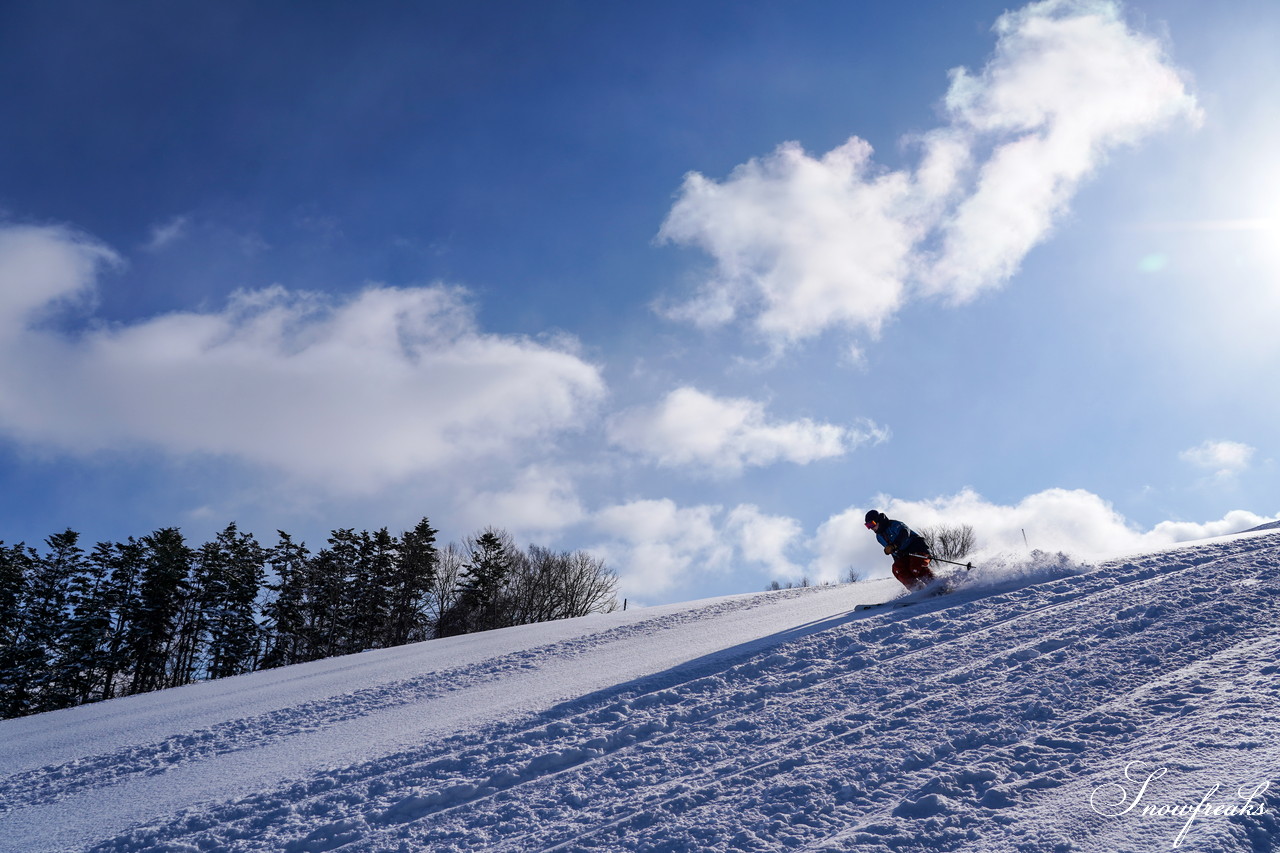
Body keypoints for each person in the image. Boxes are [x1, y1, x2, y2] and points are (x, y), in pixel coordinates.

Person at [865, 509, 935, 590]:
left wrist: (894, 545)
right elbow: (893, 552)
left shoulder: (893, 525)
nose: (871, 528)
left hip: (917, 547)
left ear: (878, 520)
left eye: (872, 524)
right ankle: (918, 590)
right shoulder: (879, 537)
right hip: (903, 555)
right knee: (897, 568)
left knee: (915, 567)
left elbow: (905, 533)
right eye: (868, 526)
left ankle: (936, 584)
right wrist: (894, 554)